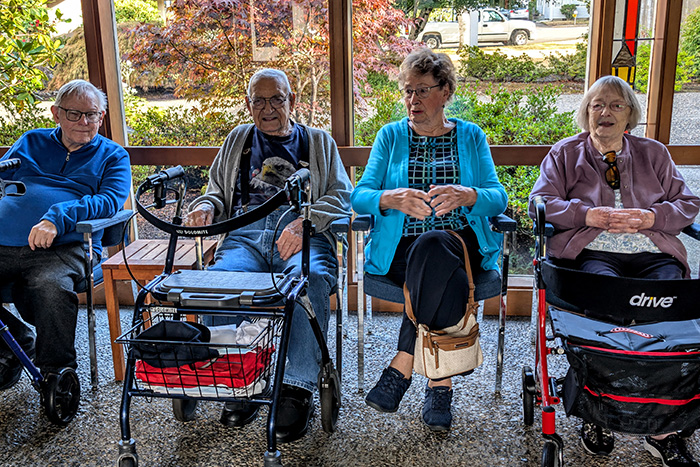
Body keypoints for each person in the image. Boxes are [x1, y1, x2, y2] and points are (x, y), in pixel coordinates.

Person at [529, 75, 700, 466]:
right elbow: (539, 201)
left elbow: (687, 203)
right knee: (605, 309)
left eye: (615, 106)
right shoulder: (564, 153)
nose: (604, 112)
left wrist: (650, 217)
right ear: (586, 113)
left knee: (668, 317)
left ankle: (664, 429)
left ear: (630, 117)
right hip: (592, 253)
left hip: (652, 252)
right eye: (596, 105)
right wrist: (586, 213)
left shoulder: (653, 153)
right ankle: (598, 414)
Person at [184, 68, 352, 443]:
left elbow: (342, 197)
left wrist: (305, 221)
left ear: (292, 101)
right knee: (220, 282)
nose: (268, 108)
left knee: (307, 282)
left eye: (277, 98)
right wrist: (206, 207)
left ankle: (296, 387)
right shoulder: (237, 140)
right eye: (258, 100)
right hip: (245, 234)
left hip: (302, 234)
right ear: (248, 104)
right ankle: (240, 375)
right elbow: (214, 190)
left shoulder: (319, 142)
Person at [350, 48, 508, 431]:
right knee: (428, 255)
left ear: (446, 91)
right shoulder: (390, 136)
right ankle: (440, 383)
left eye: (422, 90)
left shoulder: (471, 136)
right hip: (401, 249)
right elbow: (359, 195)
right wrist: (392, 198)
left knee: (436, 244)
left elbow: (498, 196)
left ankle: (403, 364)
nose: (412, 100)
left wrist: (468, 195)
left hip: (461, 246)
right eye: (407, 91)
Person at [0, 79, 132, 389]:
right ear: (56, 113)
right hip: (4, 243)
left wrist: (58, 218)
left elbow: (109, 200)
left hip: (67, 246)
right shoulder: (31, 141)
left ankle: (57, 373)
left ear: (102, 116)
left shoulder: (113, 156)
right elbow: (5, 175)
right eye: (75, 114)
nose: (85, 123)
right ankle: (16, 342)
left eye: (93, 115)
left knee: (49, 286)